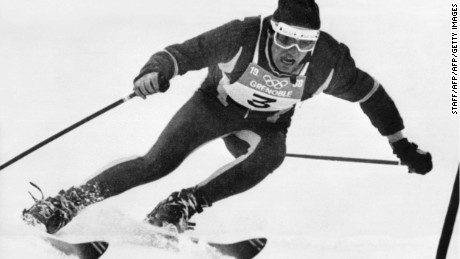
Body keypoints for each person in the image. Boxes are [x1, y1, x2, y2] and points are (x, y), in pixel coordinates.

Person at [23, 0, 433, 234]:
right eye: (286, 37)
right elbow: (181, 54)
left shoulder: (328, 62)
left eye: (304, 42)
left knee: (273, 155)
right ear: (272, 30)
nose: (292, 51)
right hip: (211, 109)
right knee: (158, 163)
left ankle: (178, 208)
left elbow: (372, 95)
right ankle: (64, 204)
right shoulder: (241, 36)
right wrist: (155, 72)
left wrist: (400, 143)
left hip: (263, 128)